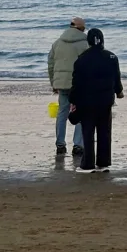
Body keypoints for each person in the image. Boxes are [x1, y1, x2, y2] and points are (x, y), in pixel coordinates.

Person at [68, 28, 123, 173]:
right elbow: (116, 77)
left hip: (87, 101)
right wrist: (119, 91)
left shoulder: (82, 59)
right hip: (106, 100)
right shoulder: (111, 57)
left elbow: (76, 83)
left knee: (88, 132)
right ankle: (103, 163)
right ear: (102, 40)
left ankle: (88, 164)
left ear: (88, 41)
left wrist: (72, 99)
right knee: (104, 131)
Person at [47, 17, 88, 156]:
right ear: (81, 28)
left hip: (61, 84)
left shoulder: (57, 43)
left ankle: (60, 143)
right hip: (79, 85)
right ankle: (78, 145)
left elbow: (51, 64)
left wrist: (53, 83)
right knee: (81, 112)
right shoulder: (85, 44)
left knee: (62, 113)